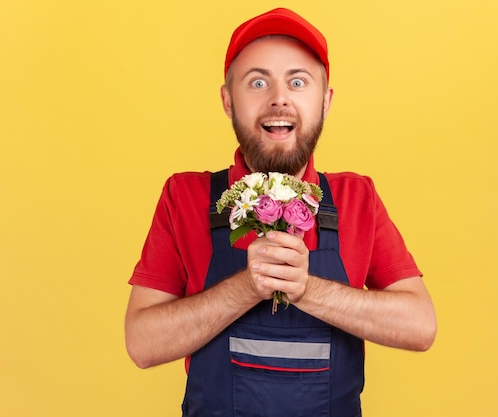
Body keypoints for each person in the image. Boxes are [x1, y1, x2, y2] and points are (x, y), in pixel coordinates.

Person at [125, 7, 436, 417]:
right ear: (227, 99)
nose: (279, 98)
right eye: (257, 82)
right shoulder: (185, 196)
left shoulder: (357, 198)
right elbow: (142, 344)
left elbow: (420, 326)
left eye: (297, 81)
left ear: (325, 101)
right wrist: (244, 288)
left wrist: (308, 288)